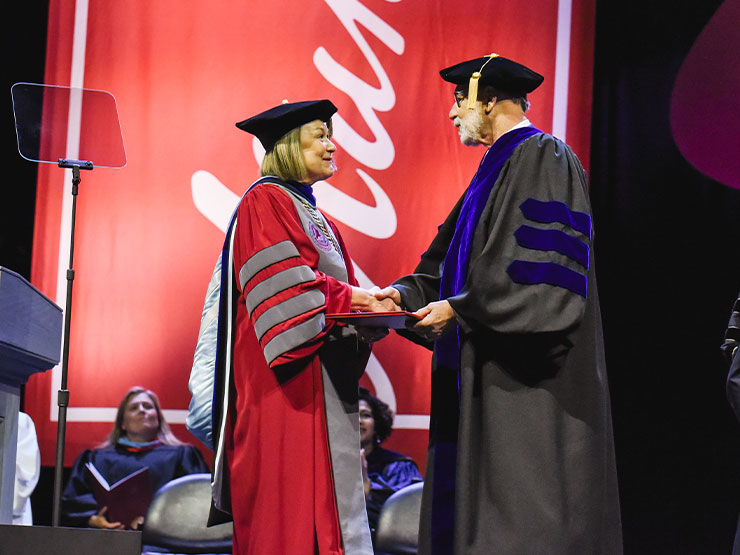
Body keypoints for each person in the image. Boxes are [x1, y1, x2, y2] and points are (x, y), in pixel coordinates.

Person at [373, 54, 622, 554]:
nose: (452, 114)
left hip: (528, 383)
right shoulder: (494, 170)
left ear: (488, 100)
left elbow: (543, 276)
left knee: (522, 521)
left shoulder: (544, 156)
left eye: (459, 101)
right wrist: (400, 297)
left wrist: (462, 310)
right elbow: (442, 262)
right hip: (483, 374)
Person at [215, 99, 392, 555]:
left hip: (321, 387)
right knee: (288, 522)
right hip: (285, 390)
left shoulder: (320, 218)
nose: (334, 146)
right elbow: (286, 291)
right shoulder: (264, 199)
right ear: (291, 144)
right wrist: (356, 298)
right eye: (322, 136)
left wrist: (373, 308)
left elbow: (329, 290)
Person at [61, 386, 208, 529]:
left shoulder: (182, 456)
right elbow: (74, 501)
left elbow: (194, 500)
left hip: (162, 545)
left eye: (148, 406)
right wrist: (93, 519)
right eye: (133, 408)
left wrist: (156, 521)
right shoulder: (96, 458)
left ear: (158, 419)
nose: (142, 410)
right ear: (123, 423)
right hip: (105, 540)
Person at [359, 387, 422, 544]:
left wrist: (367, 488)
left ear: (377, 423)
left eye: (365, 415)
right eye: (351, 415)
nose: (358, 421)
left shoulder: (399, 467)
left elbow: (408, 516)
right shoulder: (326, 466)